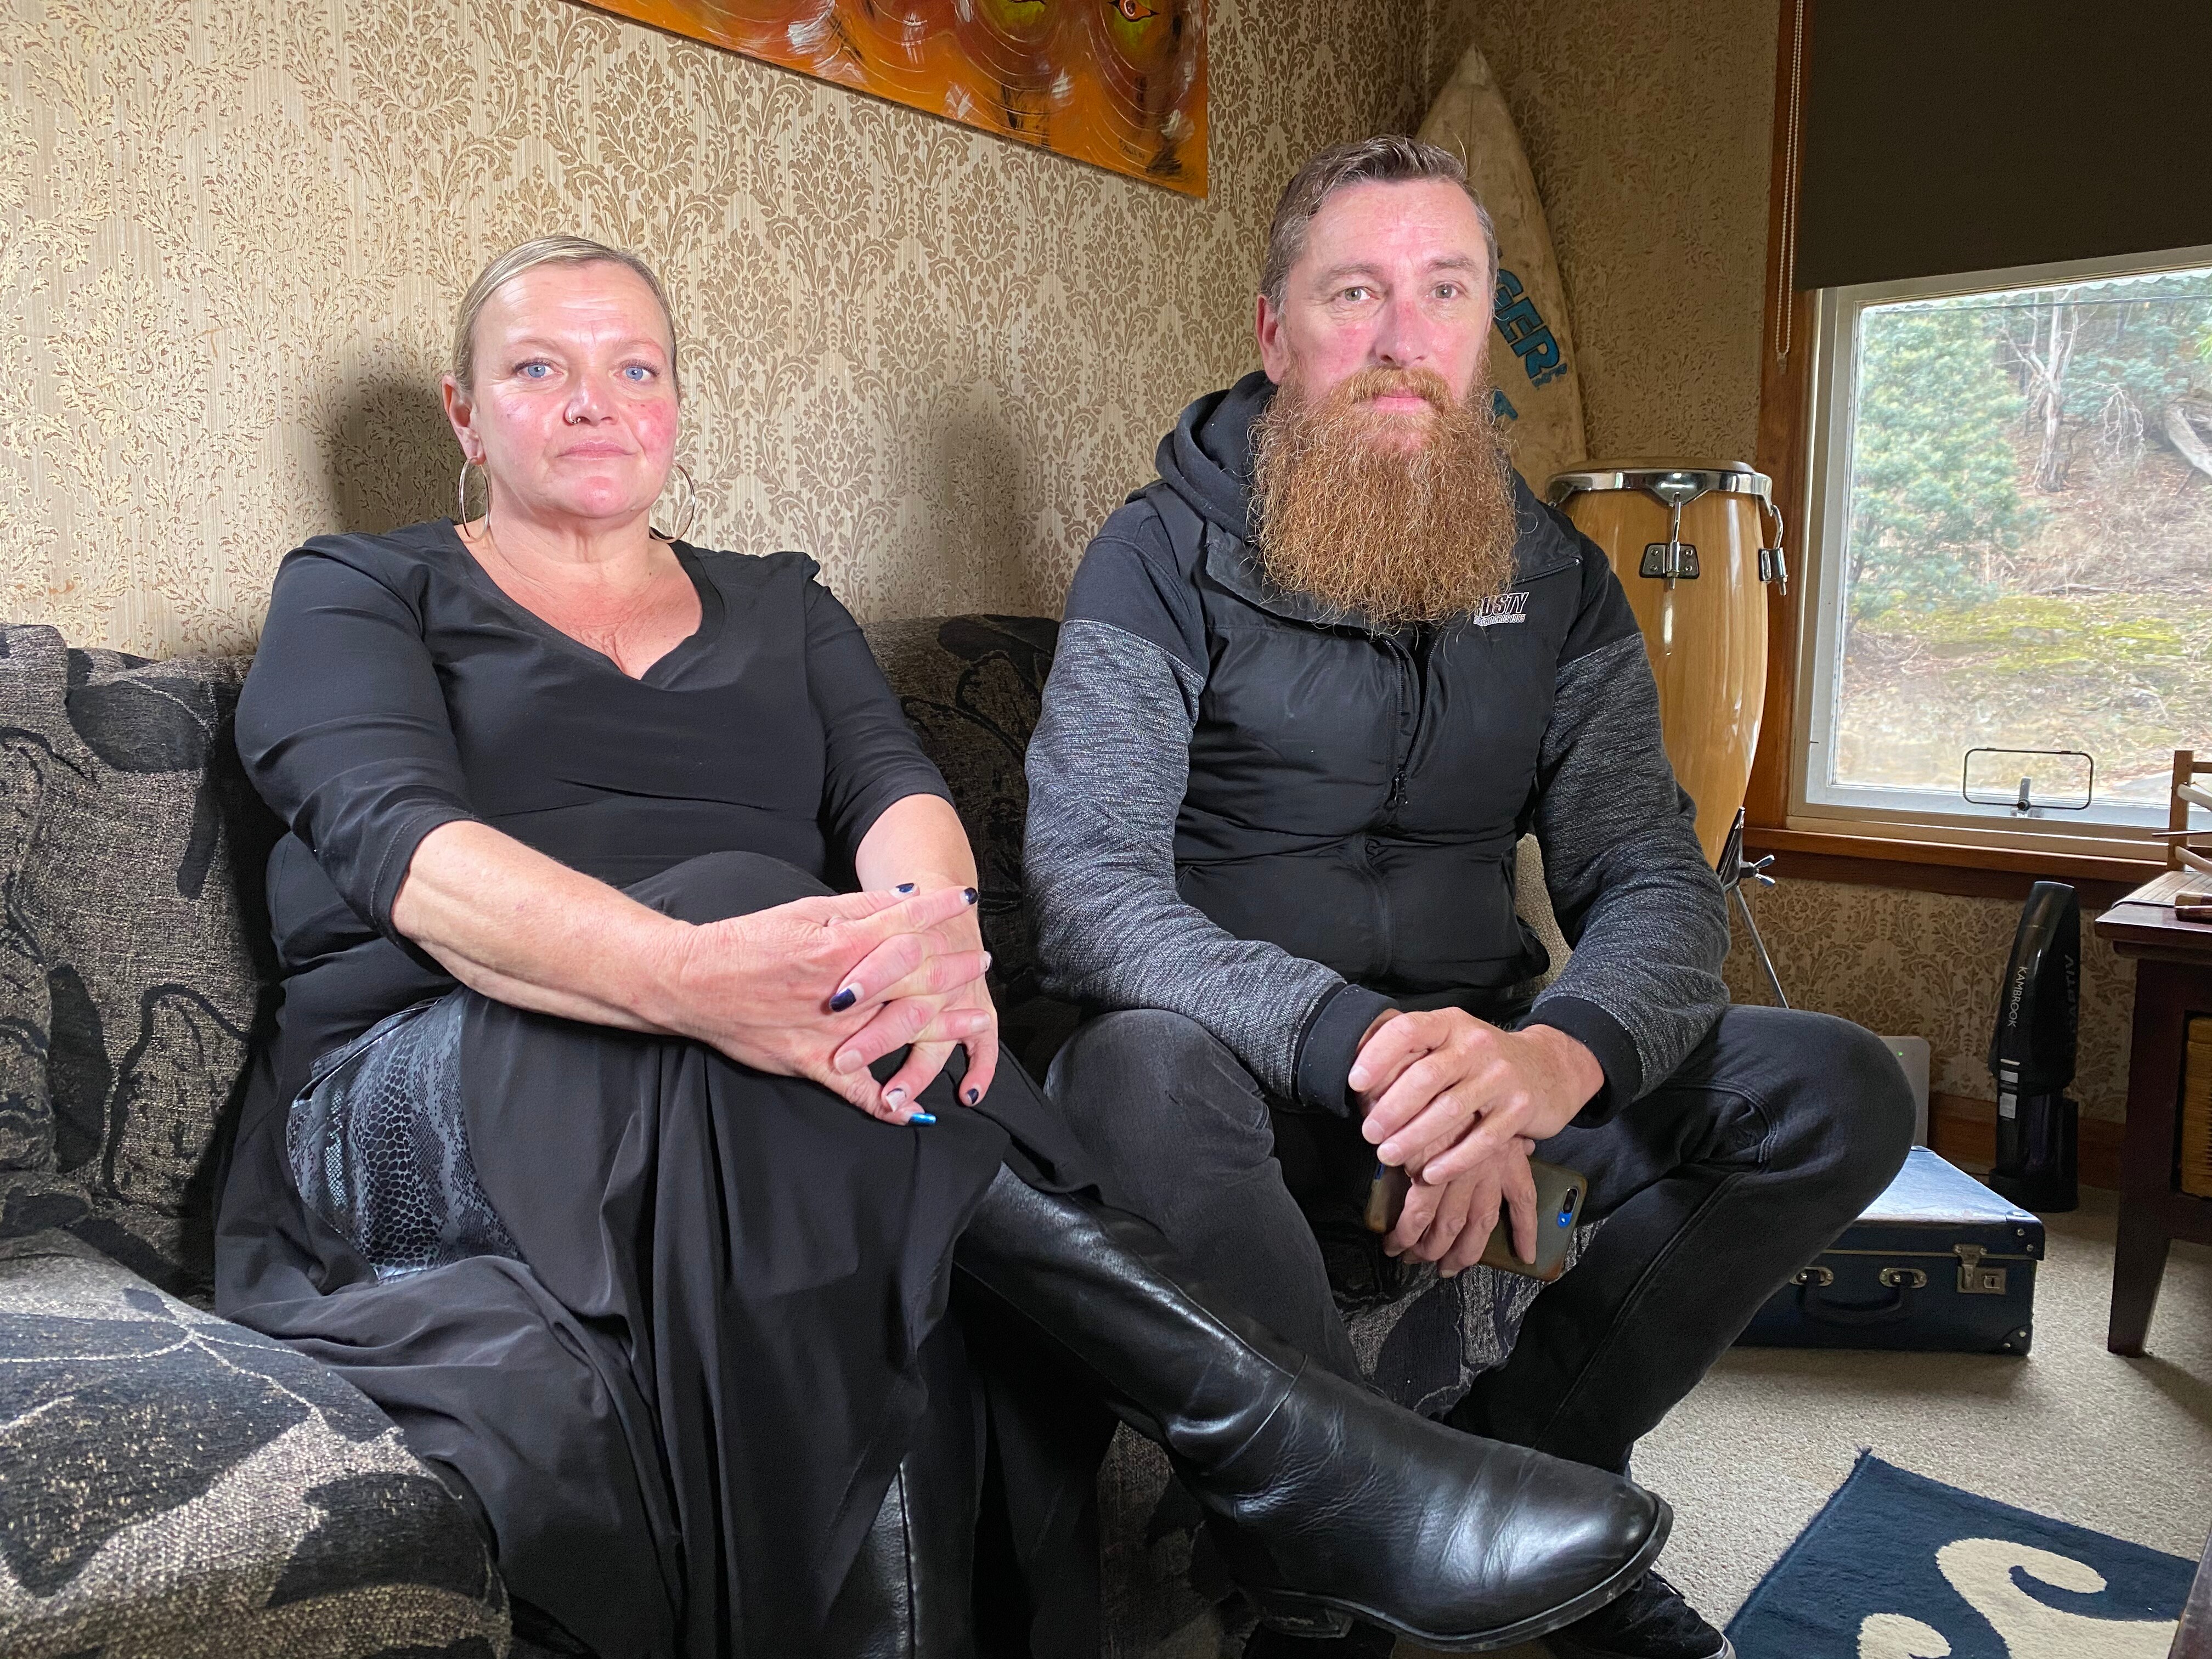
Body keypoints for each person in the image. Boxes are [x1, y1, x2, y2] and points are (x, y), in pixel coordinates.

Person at [212, 235, 1673, 1659]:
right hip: (423, 1091)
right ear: (467, 416)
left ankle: (1299, 1474)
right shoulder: (360, 589)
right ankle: (1302, 1456)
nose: (593, 400)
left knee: (858, 1165)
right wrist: (704, 977)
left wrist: (931, 947)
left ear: (674, 405)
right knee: (757, 931)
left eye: (632, 368)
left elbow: (900, 796)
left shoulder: (780, 603)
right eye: (539, 368)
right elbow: (403, 850)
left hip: (772, 1084)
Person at [1024, 138, 1919, 1659]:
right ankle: (1351, 1563)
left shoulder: (1560, 580)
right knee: (1131, 1069)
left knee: (1831, 1090)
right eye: (1352, 291)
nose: (1399, 336)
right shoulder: (1154, 553)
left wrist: (1536, 1070)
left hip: (1486, 1150)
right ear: (1272, 330)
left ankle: (1534, 1493)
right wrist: (1379, 1055)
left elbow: (1646, 869)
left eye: (1443, 292)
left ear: (1481, 318)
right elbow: (1086, 887)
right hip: (1248, 1122)